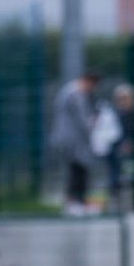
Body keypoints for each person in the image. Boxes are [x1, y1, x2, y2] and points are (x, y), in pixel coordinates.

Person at [50, 71, 105, 216]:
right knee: (76, 170)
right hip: (71, 140)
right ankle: (74, 202)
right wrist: (94, 126)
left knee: (77, 169)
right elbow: (82, 119)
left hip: (73, 140)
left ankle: (77, 201)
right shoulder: (75, 93)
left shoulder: (69, 91)